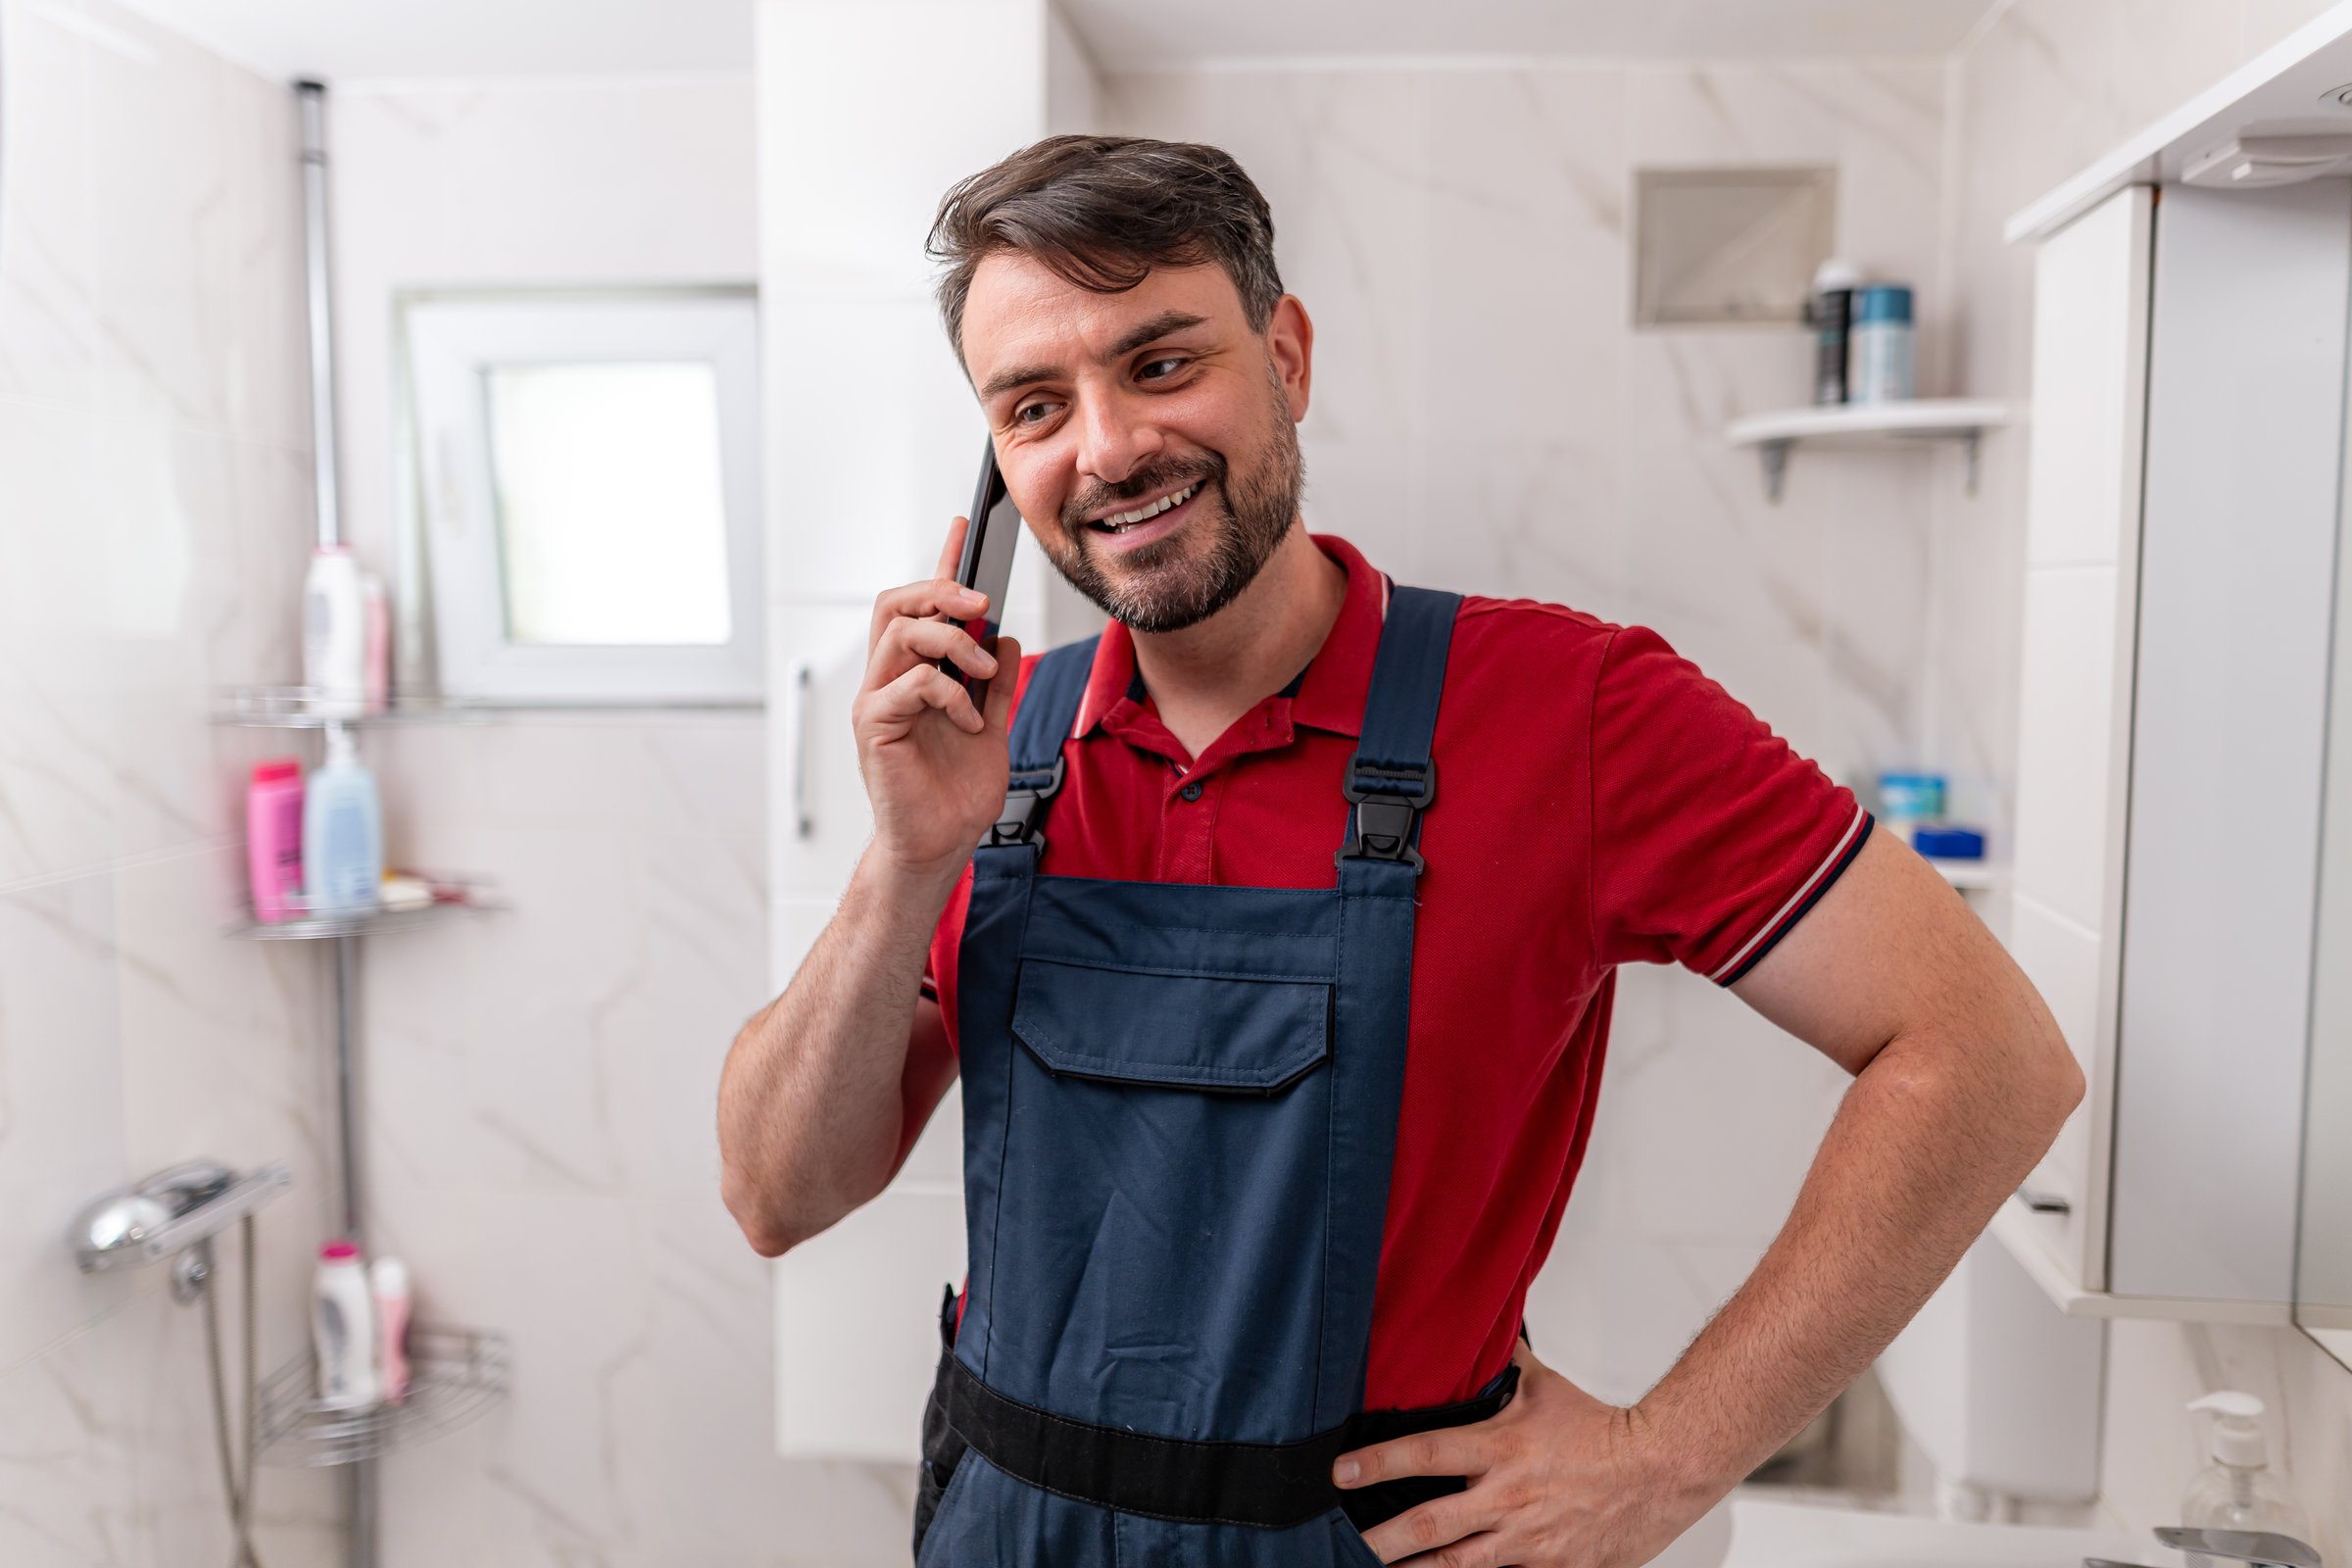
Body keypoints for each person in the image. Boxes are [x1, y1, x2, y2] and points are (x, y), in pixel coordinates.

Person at [717, 136, 2082, 1568]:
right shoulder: (995, 761)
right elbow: (773, 1195)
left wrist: (1668, 1458)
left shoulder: (1575, 709)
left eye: (1164, 364)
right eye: (1037, 405)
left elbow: (1986, 1053)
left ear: (1288, 357)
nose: (1108, 447)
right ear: (997, 463)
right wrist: (904, 859)